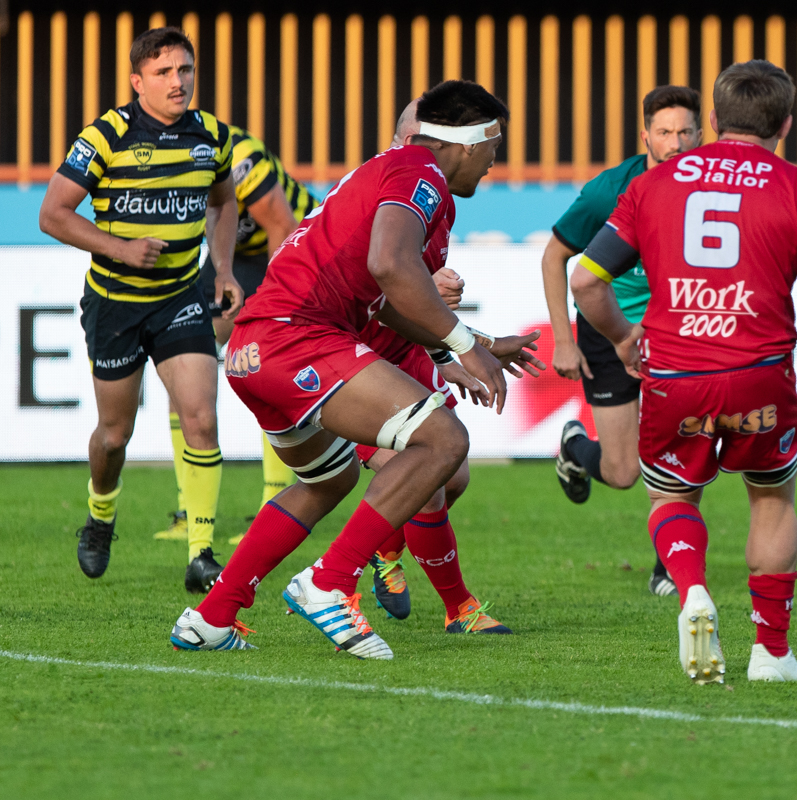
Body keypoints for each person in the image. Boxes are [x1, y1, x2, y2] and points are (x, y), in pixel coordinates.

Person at [169, 80, 540, 658]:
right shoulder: (423, 174)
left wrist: (472, 346)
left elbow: (384, 300)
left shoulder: (396, 170)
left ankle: (213, 616)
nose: (494, 166)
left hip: (255, 347)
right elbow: (390, 265)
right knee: (444, 442)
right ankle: (330, 582)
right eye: (495, 148)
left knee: (328, 480)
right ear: (469, 142)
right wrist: (464, 343)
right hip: (299, 339)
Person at [571, 60, 797, 684]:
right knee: (771, 500)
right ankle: (771, 655)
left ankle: (692, 590)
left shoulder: (653, 185)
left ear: (714, 121)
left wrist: (621, 336)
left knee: (671, 494)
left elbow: (585, 279)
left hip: (675, 373)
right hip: (758, 374)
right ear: (786, 125)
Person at [39, 27, 242, 593]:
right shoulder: (106, 136)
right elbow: (52, 214)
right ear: (137, 81)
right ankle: (101, 515)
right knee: (114, 434)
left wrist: (223, 268)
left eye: (185, 70)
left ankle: (202, 552)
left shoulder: (213, 137)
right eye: (163, 72)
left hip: (179, 298)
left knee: (200, 416)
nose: (178, 82)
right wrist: (122, 248)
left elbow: (225, 201)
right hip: (116, 304)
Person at [356, 100, 539, 634]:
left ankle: (382, 552)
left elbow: (414, 297)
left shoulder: (433, 198)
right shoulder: (382, 188)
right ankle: (459, 608)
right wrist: (426, 295)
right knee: (427, 477)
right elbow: (376, 283)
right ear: (405, 139)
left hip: (407, 354)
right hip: (356, 357)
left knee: (450, 475)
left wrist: (471, 341)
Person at [543, 86, 703, 597]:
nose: (675, 142)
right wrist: (564, 342)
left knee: (684, 449)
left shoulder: (715, 185)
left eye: (684, 132)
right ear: (645, 137)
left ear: (701, 135)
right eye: (664, 132)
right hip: (605, 329)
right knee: (623, 471)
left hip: (676, 332)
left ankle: (669, 566)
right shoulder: (608, 190)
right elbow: (554, 257)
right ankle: (574, 448)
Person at [156, 125, 318, 545]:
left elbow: (281, 223)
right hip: (235, 255)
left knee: (263, 359)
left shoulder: (239, 158)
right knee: (185, 366)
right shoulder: (157, 162)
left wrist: (273, 306)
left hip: (297, 245)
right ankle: (188, 508)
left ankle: (275, 503)